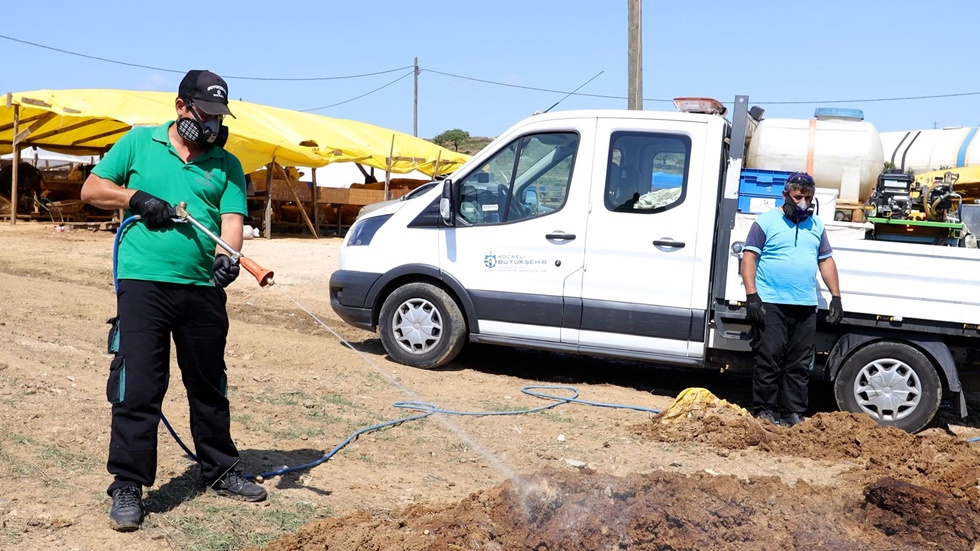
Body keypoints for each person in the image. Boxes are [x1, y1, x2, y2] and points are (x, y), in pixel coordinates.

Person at [80, 69, 266, 532]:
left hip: (202, 289)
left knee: (208, 383)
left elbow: (231, 219)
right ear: (181, 107)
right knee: (139, 384)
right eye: (206, 115)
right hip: (144, 283)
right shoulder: (140, 143)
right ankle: (128, 484)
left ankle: (220, 469)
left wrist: (228, 256)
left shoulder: (227, 163)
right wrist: (136, 197)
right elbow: (92, 190)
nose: (214, 127)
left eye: (221, 117)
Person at [740, 171, 843, 427]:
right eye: (798, 196)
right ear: (785, 194)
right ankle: (764, 410)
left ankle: (793, 412)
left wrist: (836, 297)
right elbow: (749, 258)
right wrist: (751, 295)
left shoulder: (816, 225)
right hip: (771, 302)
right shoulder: (765, 222)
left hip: (805, 305)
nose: (803, 202)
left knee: (799, 363)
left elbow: (826, 260)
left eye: (808, 197)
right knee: (770, 358)